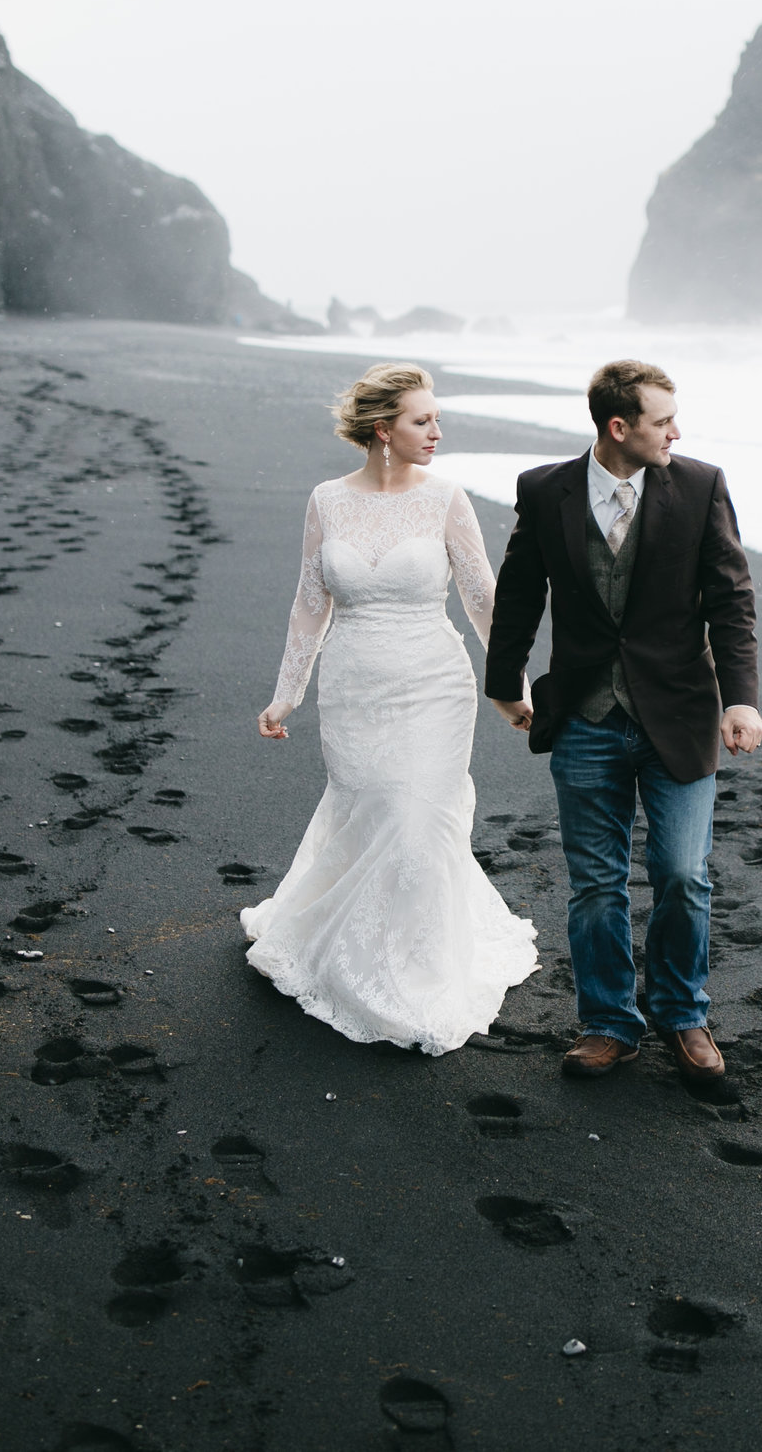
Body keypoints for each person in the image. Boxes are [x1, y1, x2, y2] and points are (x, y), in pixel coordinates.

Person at [485, 360, 762, 1083]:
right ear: (619, 426)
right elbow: (519, 589)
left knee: (680, 872)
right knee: (597, 882)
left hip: (680, 710)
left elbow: (731, 599)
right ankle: (609, 1021)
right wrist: (505, 682)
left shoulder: (700, 486)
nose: (677, 430)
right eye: (662, 419)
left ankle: (681, 1012)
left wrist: (741, 696)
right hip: (582, 713)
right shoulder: (545, 490)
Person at [246, 363, 537, 1054]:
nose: (437, 431)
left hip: (434, 683)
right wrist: (287, 691)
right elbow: (310, 603)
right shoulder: (326, 500)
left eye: (436, 418)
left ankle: (419, 974)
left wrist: (513, 687)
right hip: (354, 687)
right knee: (371, 810)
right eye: (421, 420)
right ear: (384, 430)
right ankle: (341, 939)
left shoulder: (446, 500)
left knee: (417, 822)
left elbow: (483, 600)